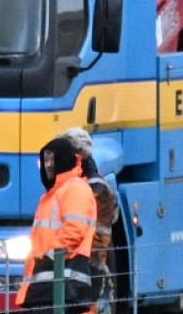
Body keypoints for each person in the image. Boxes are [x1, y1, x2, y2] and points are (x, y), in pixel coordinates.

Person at [16, 137, 97, 314]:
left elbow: (74, 231)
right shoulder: (54, 194)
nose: (49, 165)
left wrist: (47, 258)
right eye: (45, 160)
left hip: (63, 284)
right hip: (50, 285)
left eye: (53, 159)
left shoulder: (75, 188)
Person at [58, 128, 119, 314]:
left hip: (85, 268)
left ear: (78, 156)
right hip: (76, 267)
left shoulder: (95, 188)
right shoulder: (78, 183)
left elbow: (93, 238)